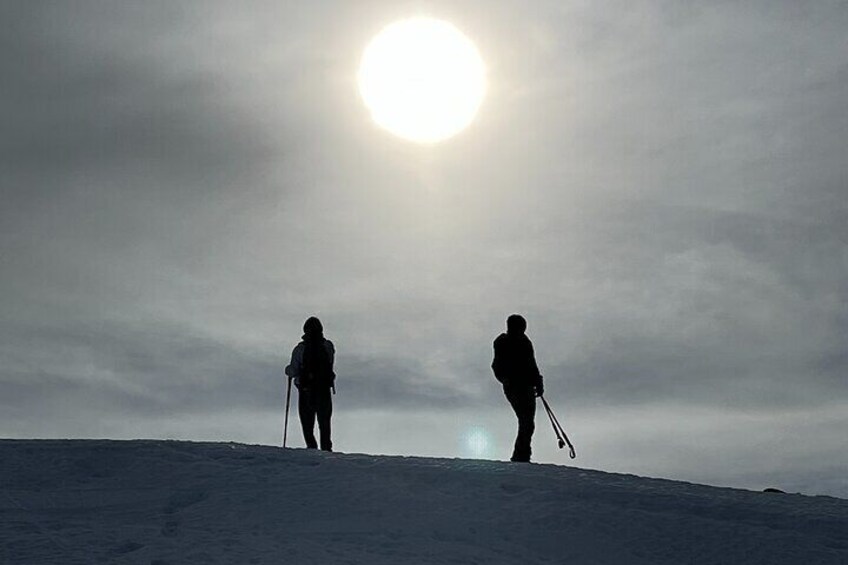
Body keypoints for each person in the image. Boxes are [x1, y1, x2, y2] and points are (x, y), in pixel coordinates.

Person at [491, 314, 544, 462]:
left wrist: (538, 382)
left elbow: (532, 365)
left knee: (528, 423)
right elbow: (497, 365)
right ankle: (521, 455)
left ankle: (522, 454)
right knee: (526, 421)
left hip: (526, 386)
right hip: (514, 386)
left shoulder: (526, 342)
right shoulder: (502, 342)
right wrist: (505, 380)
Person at [285, 317, 336, 451]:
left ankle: (312, 449)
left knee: (308, 425)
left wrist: (287, 370)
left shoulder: (300, 349)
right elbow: (330, 363)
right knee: (324, 423)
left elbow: (293, 370)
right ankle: (326, 449)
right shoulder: (328, 346)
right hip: (324, 390)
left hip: (305, 391)